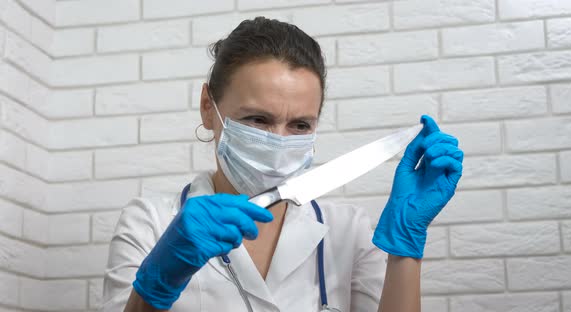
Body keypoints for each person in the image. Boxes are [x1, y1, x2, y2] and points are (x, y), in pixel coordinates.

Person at [102, 17, 463, 312]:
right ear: (208, 107)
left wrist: (405, 246)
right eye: (258, 119)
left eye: (300, 125)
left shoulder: (347, 230)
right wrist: (155, 286)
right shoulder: (149, 223)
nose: (279, 141)